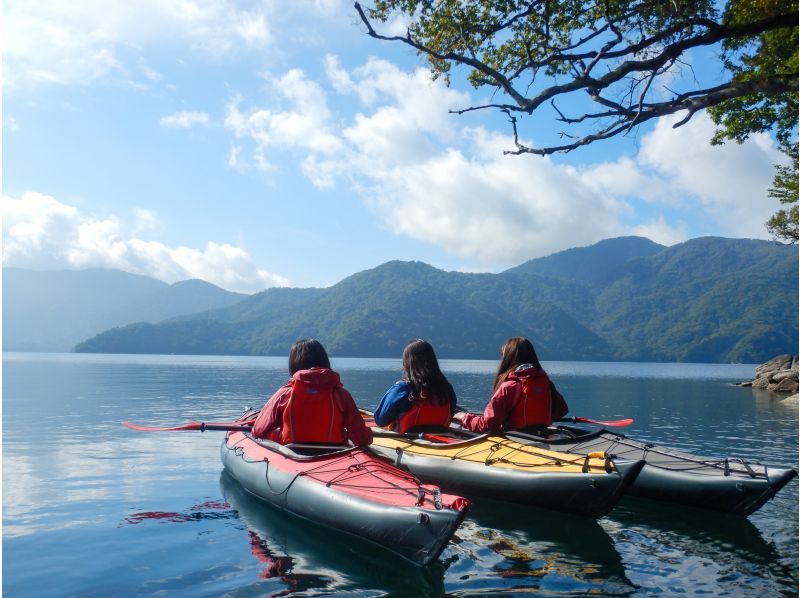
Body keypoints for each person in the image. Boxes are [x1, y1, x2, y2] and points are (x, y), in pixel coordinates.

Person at [251, 339, 373, 446]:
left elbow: (258, 430)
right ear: (324, 361)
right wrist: (368, 435)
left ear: (293, 364)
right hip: (334, 456)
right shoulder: (341, 394)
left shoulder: (284, 393)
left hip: (292, 453)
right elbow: (361, 439)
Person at [454, 337, 568, 433]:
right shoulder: (545, 382)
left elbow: (488, 425)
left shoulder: (509, 386)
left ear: (508, 359)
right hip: (542, 434)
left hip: (517, 439)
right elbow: (562, 410)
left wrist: (463, 417)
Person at [374, 339, 457, 433]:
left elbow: (380, 420)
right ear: (433, 361)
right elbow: (452, 411)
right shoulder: (446, 388)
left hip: (406, 440)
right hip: (440, 439)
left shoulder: (402, 388)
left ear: (408, 363)